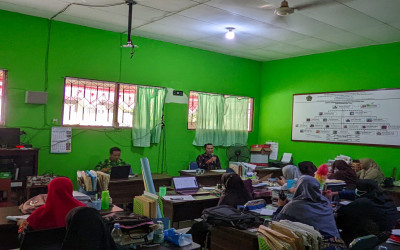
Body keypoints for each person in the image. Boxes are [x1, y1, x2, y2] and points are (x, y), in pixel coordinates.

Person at [274, 175, 340, 239]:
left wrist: (281, 206)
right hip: (336, 242)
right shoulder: (325, 201)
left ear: (299, 187)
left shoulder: (293, 206)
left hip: (317, 244)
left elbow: (275, 223)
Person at [336, 179, 399, 245]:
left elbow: (341, 214)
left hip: (362, 240)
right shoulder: (388, 201)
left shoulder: (362, 203)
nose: (356, 190)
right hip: (385, 239)